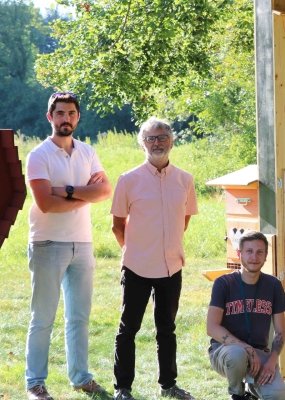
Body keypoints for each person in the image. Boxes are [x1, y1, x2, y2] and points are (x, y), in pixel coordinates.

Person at [25, 92, 112, 399]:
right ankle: (35, 383)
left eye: (71, 113)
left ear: (77, 117)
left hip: (82, 244)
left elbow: (104, 192)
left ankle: (80, 377)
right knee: (43, 317)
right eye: (60, 113)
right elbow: (46, 204)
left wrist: (69, 191)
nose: (66, 118)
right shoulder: (38, 155)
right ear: (50, 117)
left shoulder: (87, 152)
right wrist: (84, 194)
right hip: (48, 243)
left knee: (79, 317)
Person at [110, 117, 199, 400]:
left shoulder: (185, 180)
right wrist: (133, 250)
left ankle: (168, 385)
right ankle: (122, 388)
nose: (156, 143)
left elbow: (183, 219)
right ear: (142, 144)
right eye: (150, 138)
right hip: (137, 266)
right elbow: (117, 223)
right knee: (128, 329)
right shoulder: (128, 180)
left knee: (167, 329)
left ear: (172, 141)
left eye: (162, 137)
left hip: (171, 267)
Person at [206, 230, 285, 400]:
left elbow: (280, 332)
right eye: (249, 251)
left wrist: (272, 361)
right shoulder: (223, 283)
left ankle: (253, 387)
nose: (254, 256)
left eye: (260, 252)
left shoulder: (273, 285)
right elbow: (212, 327)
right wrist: (246, 348)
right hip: (226, 351)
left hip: (259, 353)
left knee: (278, 394)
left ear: (266, 255)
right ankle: (237, 394)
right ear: (239, 254)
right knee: (238, 354)